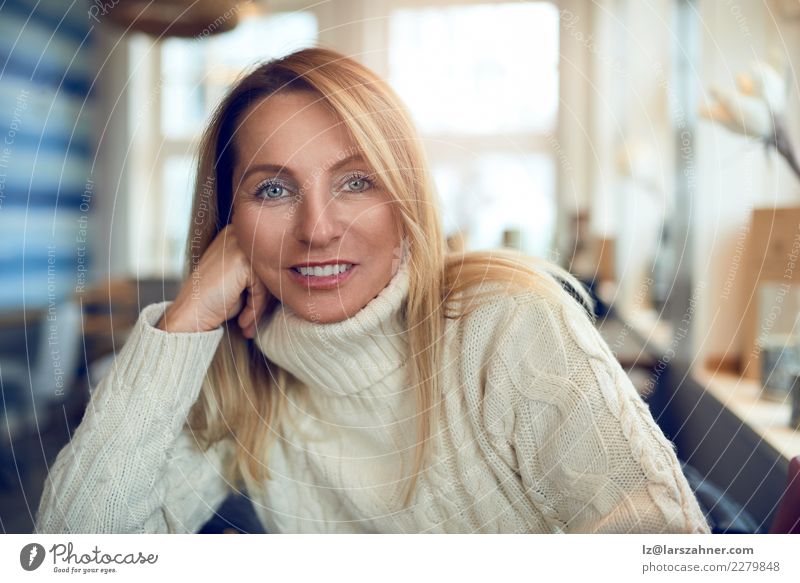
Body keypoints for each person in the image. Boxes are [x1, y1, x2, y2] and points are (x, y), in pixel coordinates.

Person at [35, 47, 711, 534]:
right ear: (230, 222)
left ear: (404, 198)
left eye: (357, 181)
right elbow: (72, 549)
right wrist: (184, 320)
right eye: (273, 189)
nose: (318, 228)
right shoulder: (245, 382)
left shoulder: (507, 322)